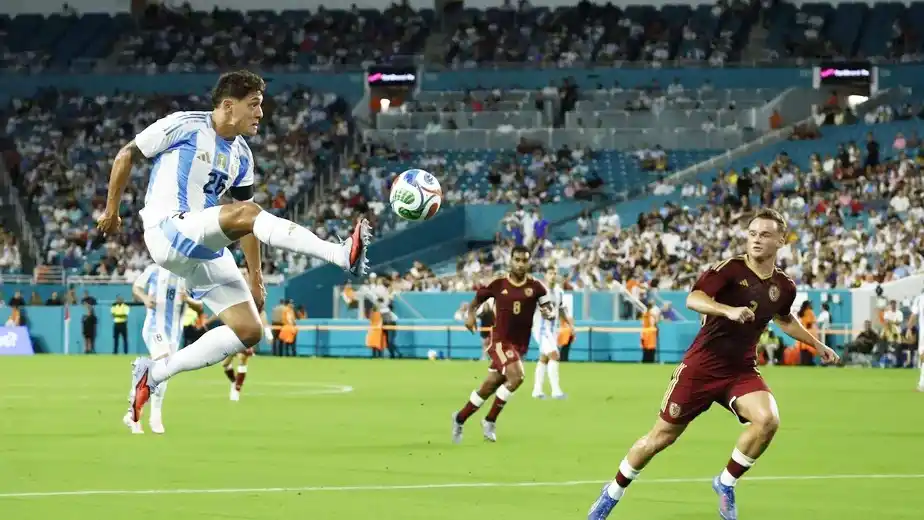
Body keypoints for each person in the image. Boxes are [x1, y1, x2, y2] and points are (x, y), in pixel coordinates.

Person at [96, 70, 371, 425]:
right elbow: (126, 155)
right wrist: (111, 210)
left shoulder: (241, 155)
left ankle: (154, 375)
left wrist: (256, 277)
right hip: (167, 231)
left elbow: (248, 223)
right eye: (254, 104)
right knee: (248, 212)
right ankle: (339, 253)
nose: (260, 113)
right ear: (229, 105)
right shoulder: (185, 125)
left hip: (202, 247)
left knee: (249, 331)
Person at [587, 208, 839, 520]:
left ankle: (725, 482)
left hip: (741, 370)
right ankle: (612, 492)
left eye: (765, 235)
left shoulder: (784, 286)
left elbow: (784, 319)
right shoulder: (730, 270)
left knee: (768, 420)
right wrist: (726, 310)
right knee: (660, 438)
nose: (757, 240)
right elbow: (694, 298)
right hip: (701, 368)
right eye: (752, 234)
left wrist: (816, 344)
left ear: (781, 241)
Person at [451, 245, 555, 443]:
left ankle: (459, 418)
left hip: (519, 346)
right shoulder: (499, 284)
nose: (520, 264)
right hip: (500, 342)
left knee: (489, 386)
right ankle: (490, 420)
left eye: (524, 260)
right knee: (517, 377)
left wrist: (548, 313)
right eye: (517, 260)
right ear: (511, 261)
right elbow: (476, 300)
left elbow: (548, 307)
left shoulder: (536, 287)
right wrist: (470, 316)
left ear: (529, 261)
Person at [123, 264, 203, 434]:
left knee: (161, 372)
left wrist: (187, 299)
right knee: (164, 365)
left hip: (173, 335)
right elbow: (136, 287)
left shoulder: (188, 274)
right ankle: (153, 417)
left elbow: (200, 306)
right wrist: (145, 298)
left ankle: (132, 413)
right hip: (154, 328)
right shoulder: (154, 269)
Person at [532, 269, 572, 399]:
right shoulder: (539, 291)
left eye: (555, 273)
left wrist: (570, 325)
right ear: (545, 275)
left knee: (544, 358)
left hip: (552, 330)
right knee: (554, 355)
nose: (553, 276)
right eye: (550, 273)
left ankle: (537, 391)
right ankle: (556, 391)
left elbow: (560, 310)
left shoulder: (559, 292)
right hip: (541, 329)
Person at [222, 308, 272, 401]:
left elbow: (263, 316)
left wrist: (268, 334)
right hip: (234, 335)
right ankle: (234, 382)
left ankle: (237, 389)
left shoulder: (256, 305)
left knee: (243, 359)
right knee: (225, 363)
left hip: (247, 336)